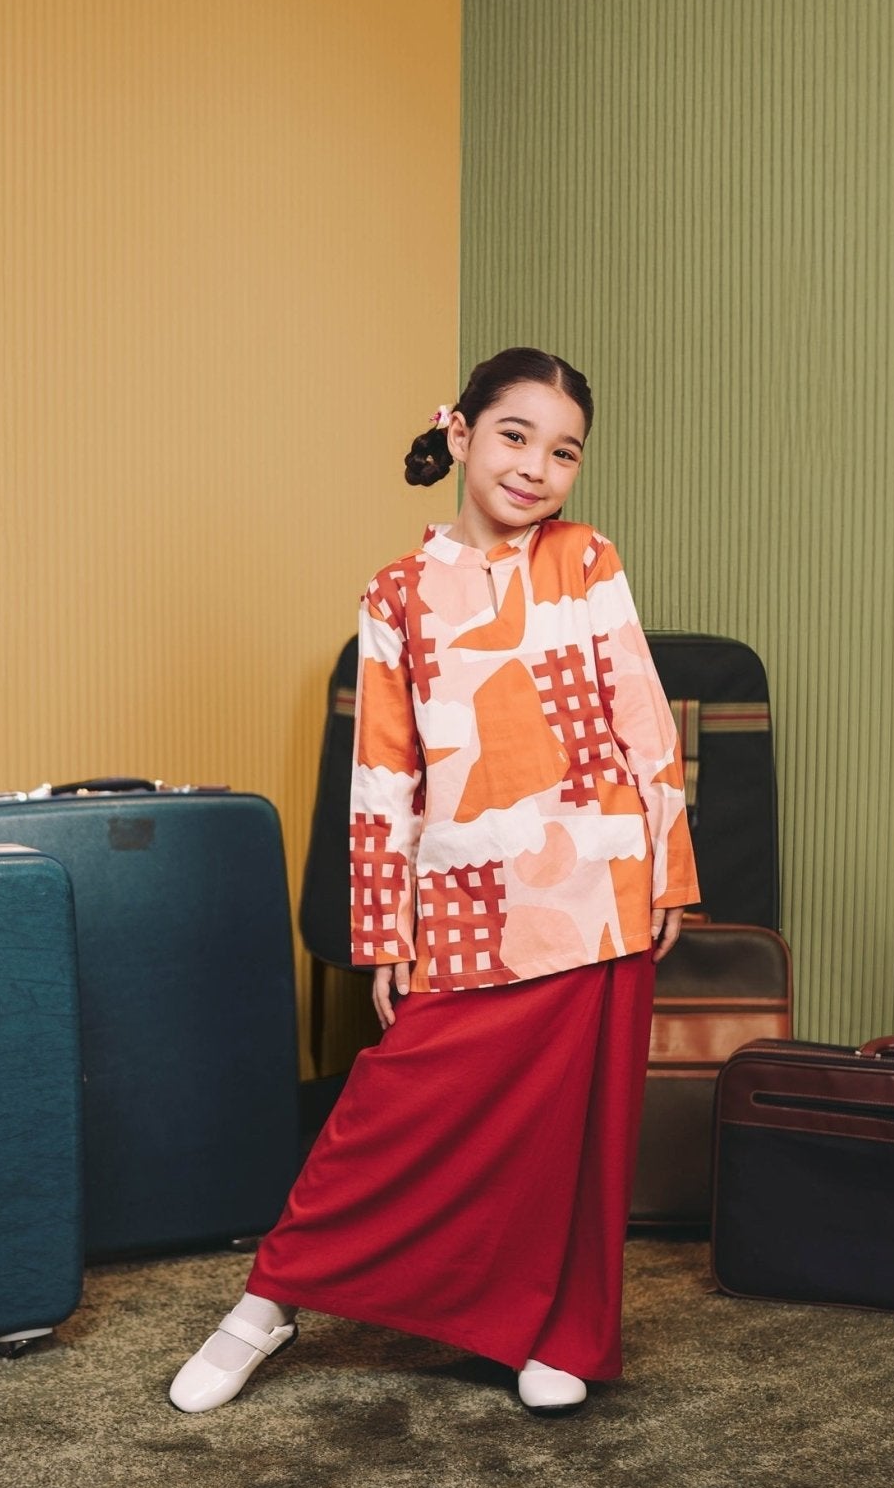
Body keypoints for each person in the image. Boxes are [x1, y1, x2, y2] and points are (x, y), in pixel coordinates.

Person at [169, 346, 699, 1418]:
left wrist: (670, 872)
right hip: (465, 903)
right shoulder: (395, 593)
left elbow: (641, 714)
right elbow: (384, 770)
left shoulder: (588, 559)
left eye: (564, 452)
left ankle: (561, 1332)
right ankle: (268, 1301)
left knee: (578, 1134)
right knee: (391, 1111)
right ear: (459, 434)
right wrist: (385, 930)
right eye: (515, 436)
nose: (536, 467)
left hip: (602, 883)